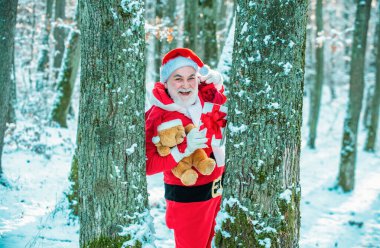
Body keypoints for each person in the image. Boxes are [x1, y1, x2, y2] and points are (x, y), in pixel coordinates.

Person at [145, 48, 227, 248]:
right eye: (178, 79)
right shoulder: (158, 114)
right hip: (188, 199)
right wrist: (183, 150)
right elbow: (148, 165)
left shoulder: (203, 97)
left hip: (219, 191)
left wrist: (218, 82)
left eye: (191, 78)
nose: (186, 85)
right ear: (166, 82)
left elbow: (220, 105)